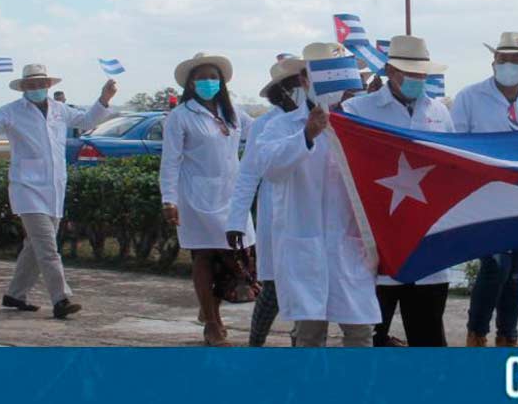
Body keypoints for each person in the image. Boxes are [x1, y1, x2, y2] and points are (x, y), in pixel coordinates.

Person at [251, 43, 380, 347]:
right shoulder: (281, 126)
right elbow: (269, 169)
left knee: (360, 332)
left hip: (349, 248)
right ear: (306, 82)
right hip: (304, 245)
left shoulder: (360, 126)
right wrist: (306, 136)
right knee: (308, 334)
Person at [0, 63, 116, 319]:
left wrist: (104, 98)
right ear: (23, 87)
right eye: (31, 84)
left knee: (35, 246)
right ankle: (61, 298)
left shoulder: (60, 110)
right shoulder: (12, 111)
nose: (37, 88)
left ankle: (15, 294)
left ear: (49, 85)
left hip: (54, 187)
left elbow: (87, 120)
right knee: (48, 247)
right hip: (26, 187)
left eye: (41, 83)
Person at [342, 35, 454, 347]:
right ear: (391, 71)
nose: (418, 79)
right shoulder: (357, 110)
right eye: (411, 73)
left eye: (422, 74)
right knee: (371, 334)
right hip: (379, 238)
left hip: (426, 235)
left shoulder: (440, 112)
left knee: (429, 335)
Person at [449, 31, 518, 347]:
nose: (507, 65)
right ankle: (477, 333)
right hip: (483, 194)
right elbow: (454, 144)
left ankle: (508, 336)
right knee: (494, 267)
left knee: (516, 271)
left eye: (515, 61)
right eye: (502, 60)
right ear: (493, 62)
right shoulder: (470, 97)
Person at [161, 52, 254, 346]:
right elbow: (170, 161)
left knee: (232, 255)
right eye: (201, 78)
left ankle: (209, 308)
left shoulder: (234, 113)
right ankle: (212, 323)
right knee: (204, 255)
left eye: (213, 77)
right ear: (190, 83)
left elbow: (263, 133)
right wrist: (168, 199)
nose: (208, 82)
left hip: (231, 195)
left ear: (222, 82)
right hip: (195, 197)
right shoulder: (181, 116)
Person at [226, 55, 306, 346]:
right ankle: (256, 343)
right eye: (297, 83)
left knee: (307, 286)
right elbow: (248, 175)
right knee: (273, 285)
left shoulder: (317, 117)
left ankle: (301, 342)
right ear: (284, 89)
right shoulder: (266, 125)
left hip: (311, 214)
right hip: (277, 213)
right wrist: (236, 220)